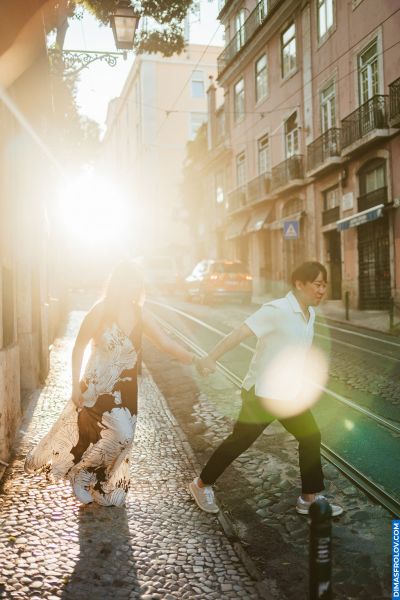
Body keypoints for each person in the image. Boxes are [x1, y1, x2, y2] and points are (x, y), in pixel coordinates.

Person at [25, 260, 198, 506]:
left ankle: (98, 482)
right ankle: (81, 474)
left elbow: (166, 344)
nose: (133, 287)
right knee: (117, 434)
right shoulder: (100, 310)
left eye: (137, 282)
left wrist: (196, 360)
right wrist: (75, 385)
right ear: (118, 283)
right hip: (97, 388)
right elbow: (79, 348)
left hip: (126, 390)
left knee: (123, 440)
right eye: (128, 281)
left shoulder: (141, 314)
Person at [189, 261, 343, 517]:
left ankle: (308, 498)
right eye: (317, 284)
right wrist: (211, 357)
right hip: (262, 393)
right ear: (299, 284)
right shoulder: (276, 310)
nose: (321, 290)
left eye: (325, 285)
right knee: (240, 441)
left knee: (310, 436)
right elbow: (240, 333)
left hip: (289, 394)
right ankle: (200, 484)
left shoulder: (310, 314)